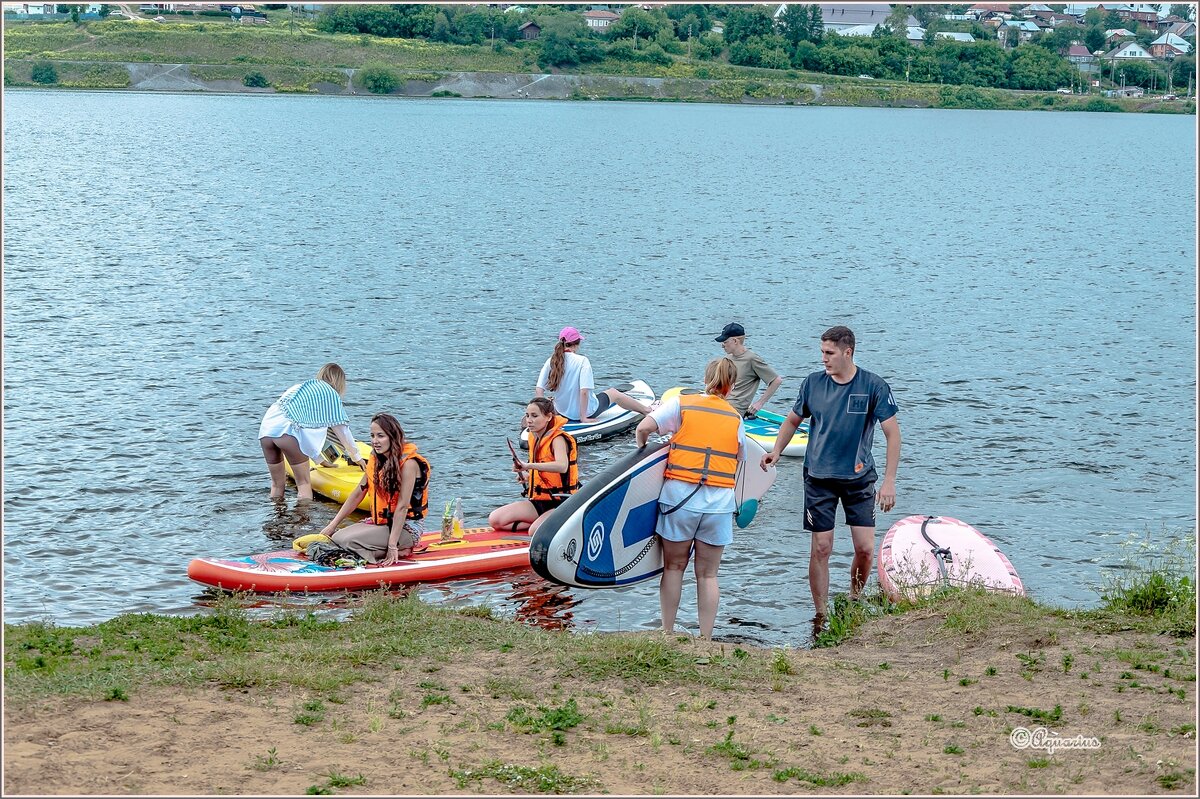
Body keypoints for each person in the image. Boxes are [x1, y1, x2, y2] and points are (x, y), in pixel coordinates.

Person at [760, 326, 900, 620]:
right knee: (822, 547)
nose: (823, 359)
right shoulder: (812, 383)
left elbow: (892, 434)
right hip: (818, 478)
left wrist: (889, 481)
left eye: (829, 353)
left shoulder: (873, 386)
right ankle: (821, 614)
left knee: (864, 548)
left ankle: (853, 598)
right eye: (822, 352)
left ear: (847, 352)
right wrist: (776, 450)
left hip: (859, 478)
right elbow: (791, 420)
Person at [635, 357, 746, 640]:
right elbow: (740, 458)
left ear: (705, 379)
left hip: (679, 501)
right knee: (708, 576)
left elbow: (643, 428)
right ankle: (705, 639)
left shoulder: (682, 404)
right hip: (718, 506)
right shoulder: (735, 418)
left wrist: (642, 457)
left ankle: (667, 632)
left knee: (674, 567)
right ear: (731, 387)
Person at [320, 413, 431, 565]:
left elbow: (403, 507)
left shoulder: (410, 464)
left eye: (380, 436)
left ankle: (400, 549)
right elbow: (358, 493)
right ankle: (383, 548)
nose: (375, 441)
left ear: (393, 437)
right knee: (338, 537)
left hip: (406, 527)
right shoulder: (376, 460)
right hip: (382, 523)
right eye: (372, 436)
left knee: (348, 542)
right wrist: (332, 525)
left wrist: (392, 545)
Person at [259, 363, 366, 501]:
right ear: (339, 382)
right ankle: (303, 522)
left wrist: (321, 461)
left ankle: (276, 517)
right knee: (303, 484)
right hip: (288, 433)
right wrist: (357, 457)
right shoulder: (330, 394)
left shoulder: (300, 388)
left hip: (266, 431)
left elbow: (307, 432)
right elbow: (342, 431)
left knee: (277, 485)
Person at [488, 398, 579, 535]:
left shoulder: (558, 439)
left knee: (534, 531)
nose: (529, 420)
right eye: (527, 415)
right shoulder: (533, 437)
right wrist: (529, 476)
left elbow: (562, 466)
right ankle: (543, 521)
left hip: (562, 502)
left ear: (548, 417)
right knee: (495, 520)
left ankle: (548, 524)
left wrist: (528, 465)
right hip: (540, 501)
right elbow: (546, 472)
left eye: (535, 416)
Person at [535, 326, 653, 422]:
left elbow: (539, 391)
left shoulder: (551, 360)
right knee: (613, 393)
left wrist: (544, 415)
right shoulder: (582, 361)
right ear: (577, 344)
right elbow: (584, 392)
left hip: (561, 412)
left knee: (552, 398)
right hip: (584, 413)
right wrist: (583, 417)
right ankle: (647, 411)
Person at [714, 322, 783, 417]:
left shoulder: (751, 359)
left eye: (725, 342)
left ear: (735, 341)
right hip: (721, 404)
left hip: (734, 410)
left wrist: (759, 403)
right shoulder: (727, 358)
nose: (722, 345)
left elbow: (776, 380)